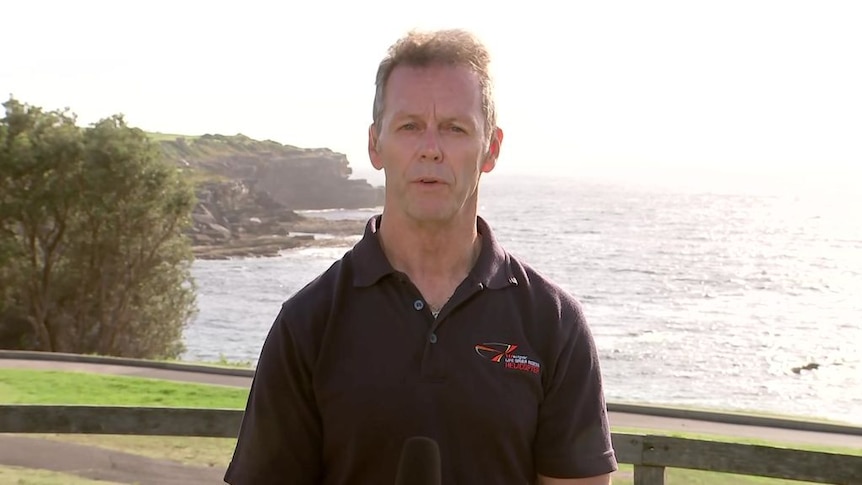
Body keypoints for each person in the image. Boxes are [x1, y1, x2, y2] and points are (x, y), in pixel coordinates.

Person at [224, 28, 618, 485]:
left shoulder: (553, 323)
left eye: (455, 128)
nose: (431, 149)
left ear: (490, 148)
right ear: (376, 145)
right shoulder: (308, 324)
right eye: (410, 126)